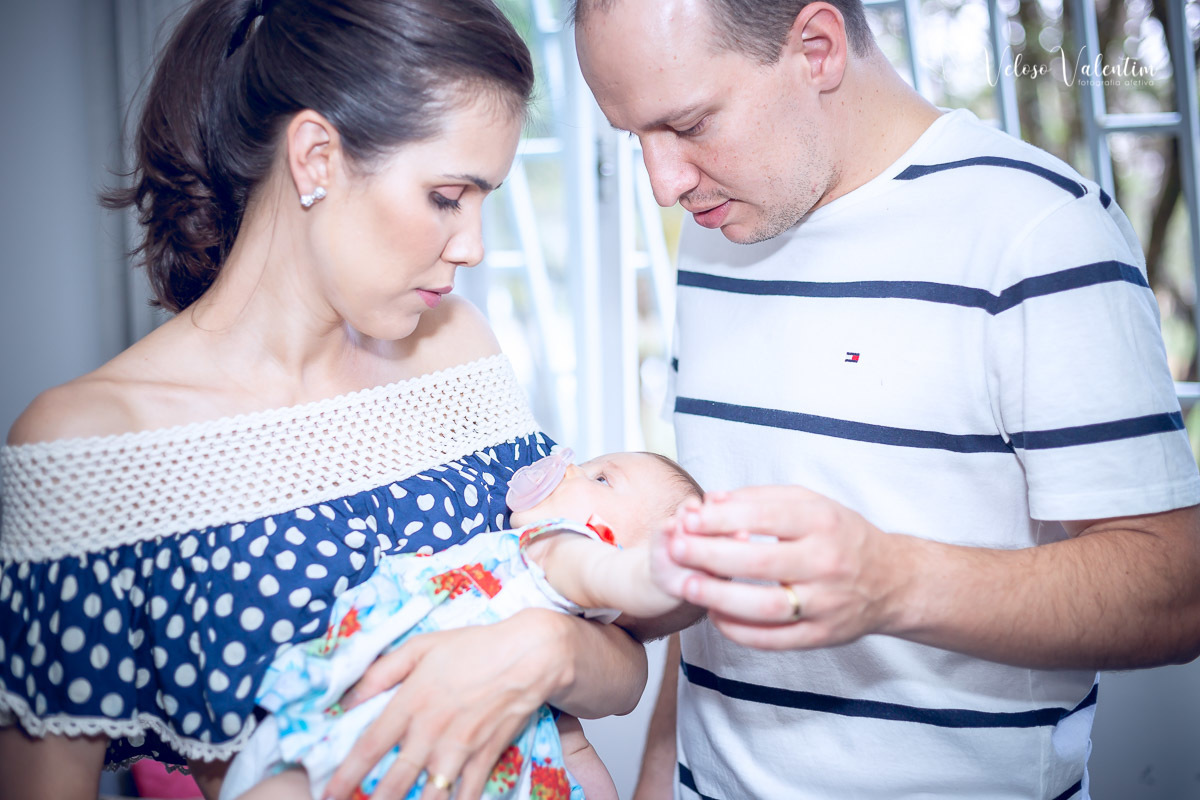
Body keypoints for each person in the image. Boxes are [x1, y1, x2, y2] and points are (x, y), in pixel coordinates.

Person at [0, 2, 651, 800]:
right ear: (315, 156)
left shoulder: (456, 349)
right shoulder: (92, 445)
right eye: (448, 196)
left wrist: (542, 652)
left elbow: (619, 672)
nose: (473, 245)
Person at [570, 1, 1200, 798]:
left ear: (819, 49)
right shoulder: (718, 228)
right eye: (636, 138)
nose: (664, 185)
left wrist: (894, 583)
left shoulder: (1038, 229)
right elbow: (714, 564)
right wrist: (658, 781)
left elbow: (1177, 589)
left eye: (690, 124)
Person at [219, 447, 705, 800]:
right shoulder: (526, 571)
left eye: (602, 480)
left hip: (381, 733)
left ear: (607, 541)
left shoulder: (560, 554)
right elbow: (575, 754)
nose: (570, 466)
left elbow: (603, 573)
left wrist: (649, 574)